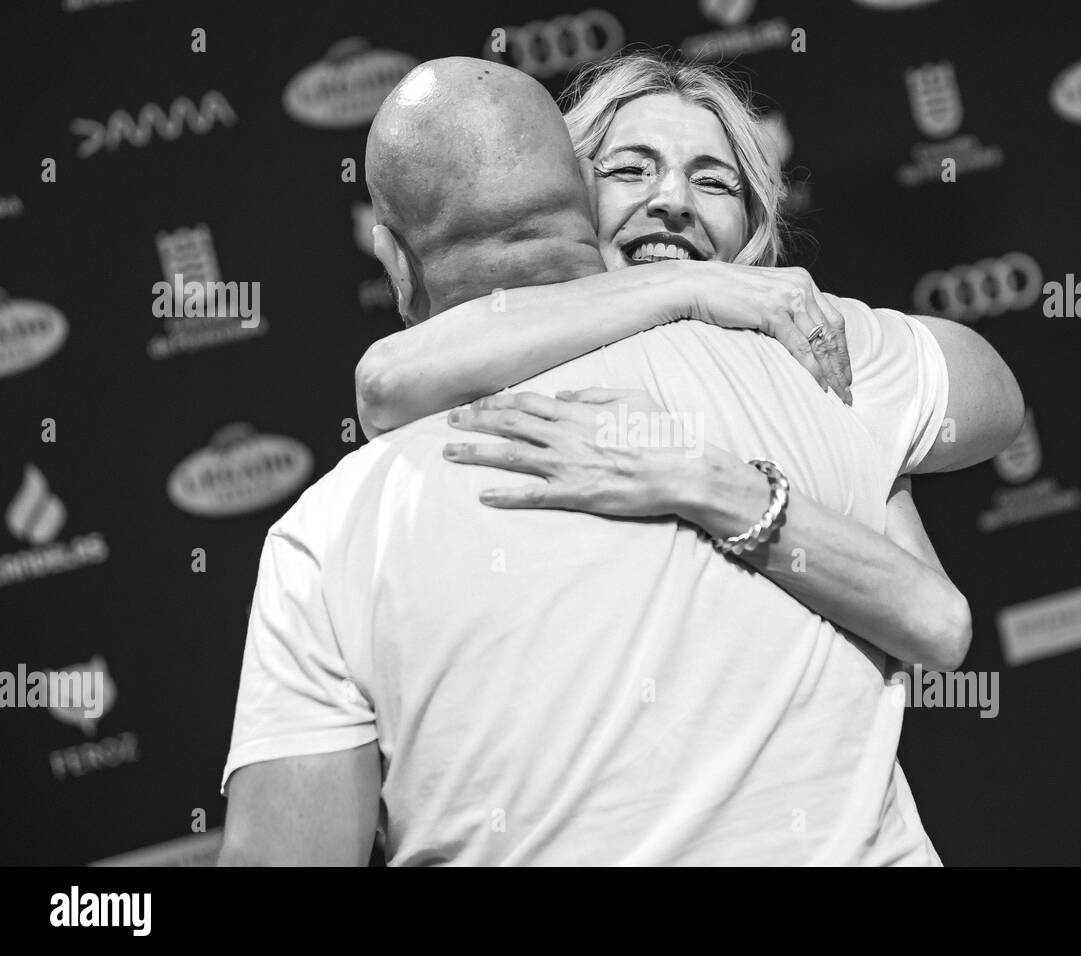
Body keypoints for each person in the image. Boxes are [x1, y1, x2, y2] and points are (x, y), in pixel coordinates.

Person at [217, 57, 1004, 866]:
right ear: (565, 188)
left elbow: (940, 615)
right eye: (630, 168)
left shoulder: (818, 364)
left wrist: (705, 479)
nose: (671, 200)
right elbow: (384, 381)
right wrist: (684, 293)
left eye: (716, 181)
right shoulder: (801, 384)